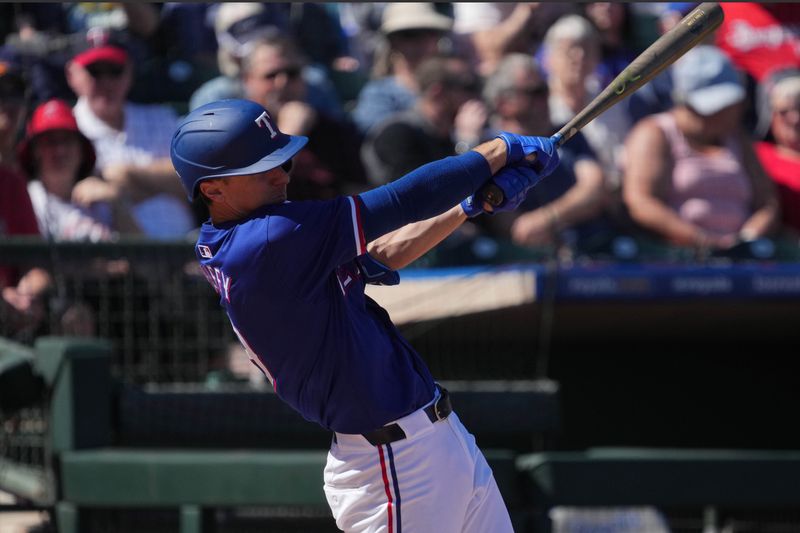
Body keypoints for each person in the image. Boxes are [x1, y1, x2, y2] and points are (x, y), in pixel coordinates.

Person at [170, 98, 561, 532]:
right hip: (394, 465)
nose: (282, 173)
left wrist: (467, 207)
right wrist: (497, 151)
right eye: (261, 169)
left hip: (434, 442)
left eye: (281, 161)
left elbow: (380, 254)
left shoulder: (252, 237)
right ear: (213, 189)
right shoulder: (266, 239)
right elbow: (401, 200)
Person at [622, 45, 780, 251]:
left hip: (741, 258)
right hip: (675, 258)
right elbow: (640, 202)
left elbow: (767, 202)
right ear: (685, 102)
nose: (722, 113)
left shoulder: (737, 137)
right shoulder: (654, 133)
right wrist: (702, 240)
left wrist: (746, 239)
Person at [481, 53, 613, 250]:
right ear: (503, 103)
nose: (544, 99)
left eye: (544, 90)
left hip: (589, 243)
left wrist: (548, 218)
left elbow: (594, 188)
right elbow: (508, 222)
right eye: (534, 93)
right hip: (524, 256)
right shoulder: (490, 147)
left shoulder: (567, 134)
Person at [18, 98, 140, 241]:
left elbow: (145, 260)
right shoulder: (30, 200)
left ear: (81, 150)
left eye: (67, 140)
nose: (60, 151)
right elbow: (35, 262)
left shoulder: (101, 196)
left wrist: (118, 204)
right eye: (51, 142)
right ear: (35, 152)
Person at [361, 54, 486, 185]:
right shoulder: (397, 133)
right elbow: (421, 194)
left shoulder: (447, 136)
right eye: (469, 87)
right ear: (437, 92)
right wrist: (466, 143)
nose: (477, 95)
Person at [350, 2, 455, 136]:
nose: (421, 42)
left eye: (429, 32)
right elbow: (376, 137)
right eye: (410, 34)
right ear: (393, 42)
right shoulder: (378, 94)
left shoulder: (455, 85)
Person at [755, 69, 800, 236]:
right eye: (784, 111)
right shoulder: (757, 155)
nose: (795, 118)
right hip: (782, 253)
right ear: (771, 116)